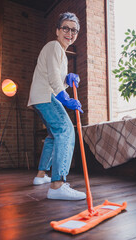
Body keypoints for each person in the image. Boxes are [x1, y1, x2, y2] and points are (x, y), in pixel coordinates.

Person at [27, 12, 86, 201]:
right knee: (66, 130)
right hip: (46, 96)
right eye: (66, 28)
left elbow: (56, 78)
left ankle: (41, 176)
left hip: (41, 96)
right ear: (57, 31)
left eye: (74, 30)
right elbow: (53, 79)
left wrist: (68, 81)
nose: (70, 33)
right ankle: (58, 184)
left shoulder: (60, 52)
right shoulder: (54, 46)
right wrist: (65, 98)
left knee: (54, 134)